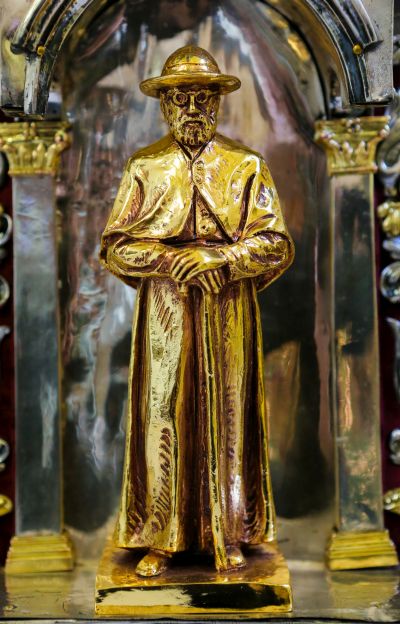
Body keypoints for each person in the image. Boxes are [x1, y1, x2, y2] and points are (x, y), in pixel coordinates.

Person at [100, 45, 294, 577]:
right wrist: (169, 257)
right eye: (181, 99)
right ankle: (161, 535)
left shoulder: (245, 167)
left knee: (227, 414)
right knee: (162, 415)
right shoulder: (146, 168)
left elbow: (275, 244)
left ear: (218, 105)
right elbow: (116, 246)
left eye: (203, 100)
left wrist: (224, 257)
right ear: (164, 106)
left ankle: (228, 532)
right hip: (164, 309)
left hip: (228, 307)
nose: (192, 110)